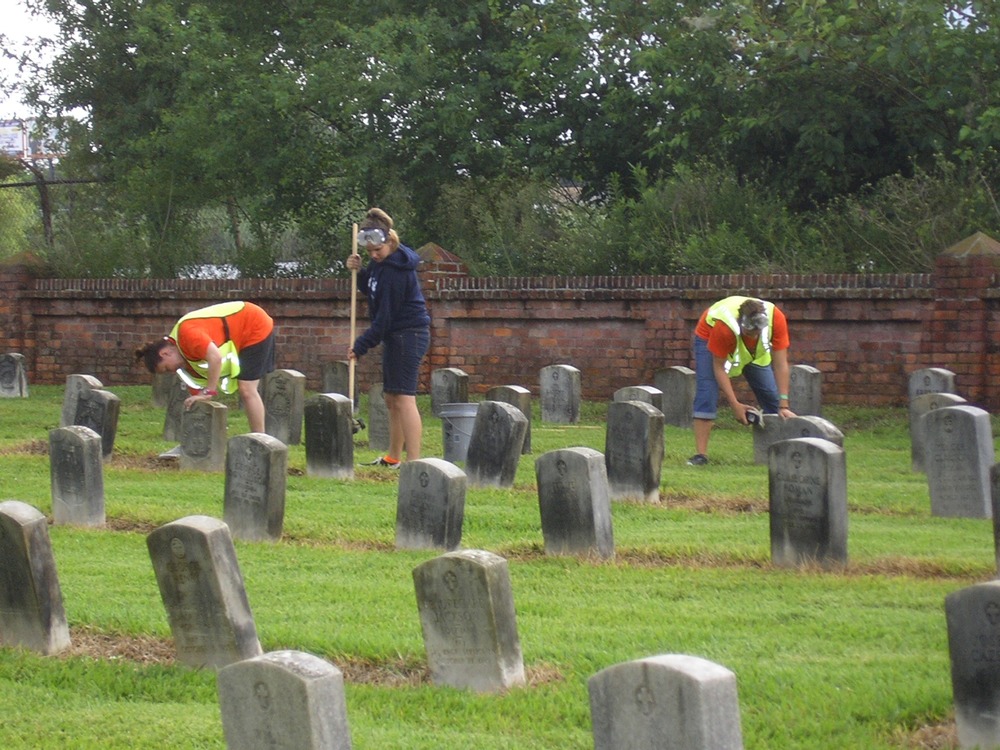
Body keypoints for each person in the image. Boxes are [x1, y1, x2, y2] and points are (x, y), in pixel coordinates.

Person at [347, 207, 431, 467]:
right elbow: (372, 288)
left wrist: (360, 346)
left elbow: (384, 318)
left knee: (404, 397)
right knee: (391, 397)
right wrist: (359, 272)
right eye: (369, 252)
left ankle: (414, 463)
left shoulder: (397, 271)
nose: (373, 255)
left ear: (390, 241)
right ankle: (393, 457)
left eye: (377, 251)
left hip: (409, 334)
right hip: (395, 335)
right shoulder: (380, 264)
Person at [135, 301, 275, 433]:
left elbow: (215, 357)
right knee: (245, 389)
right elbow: (197, 397)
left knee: (247, 389)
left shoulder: (187, 334)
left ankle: (261, 441)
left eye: (166, 368)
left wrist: (209, 392)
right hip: (240, 336)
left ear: (165, 353)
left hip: (253, 323)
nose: (171, 372)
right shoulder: (186, 364)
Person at [688, 295, 796, 465]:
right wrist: (735, 405)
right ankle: (701, 455)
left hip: (756, 354)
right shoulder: (724, 327)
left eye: (756, 332)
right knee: (707, 391)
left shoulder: (777, 319)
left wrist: (784, 404)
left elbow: (781, 364)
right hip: (709, 335)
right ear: (741, 323)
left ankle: (782, 451)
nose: (753, 336)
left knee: (770, 393)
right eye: (748, 332)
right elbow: (719, 368)